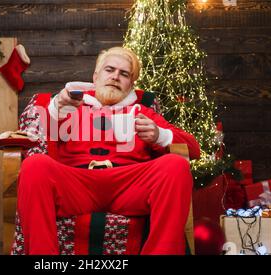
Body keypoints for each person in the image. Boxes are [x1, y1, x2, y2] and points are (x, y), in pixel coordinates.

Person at [17, 46, 201, 255]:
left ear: (131, 84)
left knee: (175, 166)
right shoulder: (71, 104)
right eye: (109, 70)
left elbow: (194, 150)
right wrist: (55, 107)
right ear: (95, 76)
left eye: (124, 74)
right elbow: (37, 133)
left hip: (127, 186)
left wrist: (160, 135)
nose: (115, 77)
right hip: (78, 183)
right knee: (34, 166)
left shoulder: (142, 112)